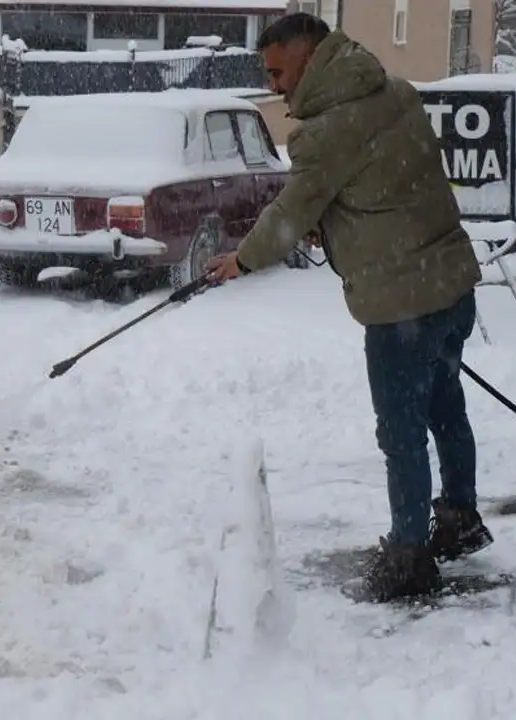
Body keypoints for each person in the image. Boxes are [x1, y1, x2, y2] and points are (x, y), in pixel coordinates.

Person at [205, 13, 493, 603]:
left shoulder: (325, 131)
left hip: (400, 305)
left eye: (279, 71)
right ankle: (460, 518)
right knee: (445, 409)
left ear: (310, 57)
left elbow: (290, 213)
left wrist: (243, 259)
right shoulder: (395, 93)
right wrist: (334, 225)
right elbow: (384, 188)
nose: (276, 85)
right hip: (451, 283)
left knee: (402, 433)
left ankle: (410, 555)